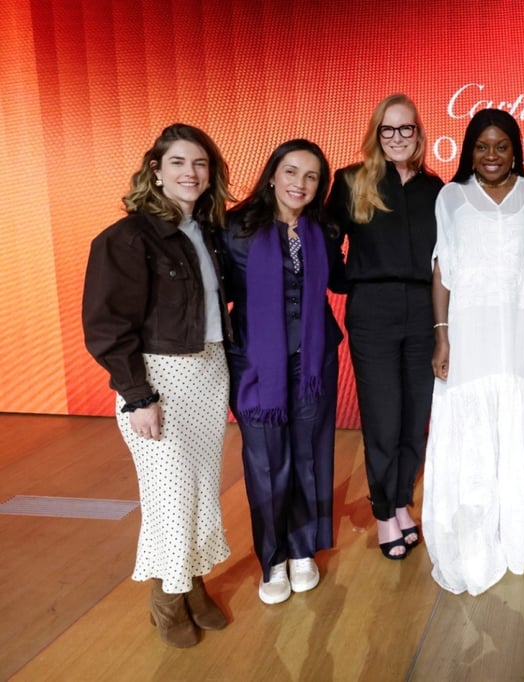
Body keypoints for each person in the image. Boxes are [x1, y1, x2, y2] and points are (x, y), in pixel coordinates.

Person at [82, 123, 234, 647]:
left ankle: (191, 583)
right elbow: (106, 327)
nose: (190, 173)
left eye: (200, 164)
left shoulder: (206, 230)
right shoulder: (126, 237)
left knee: (198, 492)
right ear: (156, 170)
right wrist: (138, 397)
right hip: (158, 380)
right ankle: (166, 601)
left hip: (210, 375)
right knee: (170, 495)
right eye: (178, 163)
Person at [423, 108, 524, 595]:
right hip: (470, 336)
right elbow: (443, 268)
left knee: (518, 427)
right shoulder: (451, 198)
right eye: (481, 146)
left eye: (500, 146)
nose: (491, 155)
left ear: (516, 149)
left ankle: (515, 528)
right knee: (470, 431)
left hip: (520, 337)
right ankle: (475, 533)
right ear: (468, 151)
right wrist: (442, 334)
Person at [221, 139, 343, 604]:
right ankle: (272, 557)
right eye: (292, 172)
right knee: (266, 463)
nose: (300, 183)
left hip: (313, 361)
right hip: (257, 364)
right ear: (272, 174)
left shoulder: (324, 230)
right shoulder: (235, 228)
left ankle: (301, 549)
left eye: (312, 177)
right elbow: (220, 295)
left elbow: (339, 279)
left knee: (310, 455)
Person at [325, 94, 443, 560]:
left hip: (422, 306)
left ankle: (400, 500)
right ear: (376, 134)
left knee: (416, 418)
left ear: (418, 133)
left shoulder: (437, 190)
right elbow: (326, 239)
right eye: (387, 130)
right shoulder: (352, 181)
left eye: (405, 129)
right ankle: (382, 509)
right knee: (383, 416)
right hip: (372, 309)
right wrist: (345, 279)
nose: (396, 138)